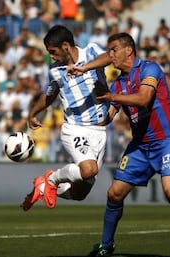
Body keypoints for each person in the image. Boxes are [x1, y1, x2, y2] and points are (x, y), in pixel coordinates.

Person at [81, 32, 170, 257]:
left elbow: (144, 99)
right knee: (114, 193)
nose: (110, 55)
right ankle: (106, 245)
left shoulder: (150, 69)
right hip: (140, 145)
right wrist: (86, 122)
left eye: (113, 50)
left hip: (167, 139)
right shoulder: (118, 83)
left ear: (128, 50)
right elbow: (109, 116)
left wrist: (112, 95)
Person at [21, 25, 112, 211]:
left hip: (100, 131)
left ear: (65, 46)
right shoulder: (55, 70)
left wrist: (84, 68)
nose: (51, 57)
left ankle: (42, 186)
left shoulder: (91, 51)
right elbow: (50, 94)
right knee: (89, 170)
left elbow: (109, 57)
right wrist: (33, 113)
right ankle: (51, 179)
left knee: (79, 193)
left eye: (53, 52)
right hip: (75, 128)